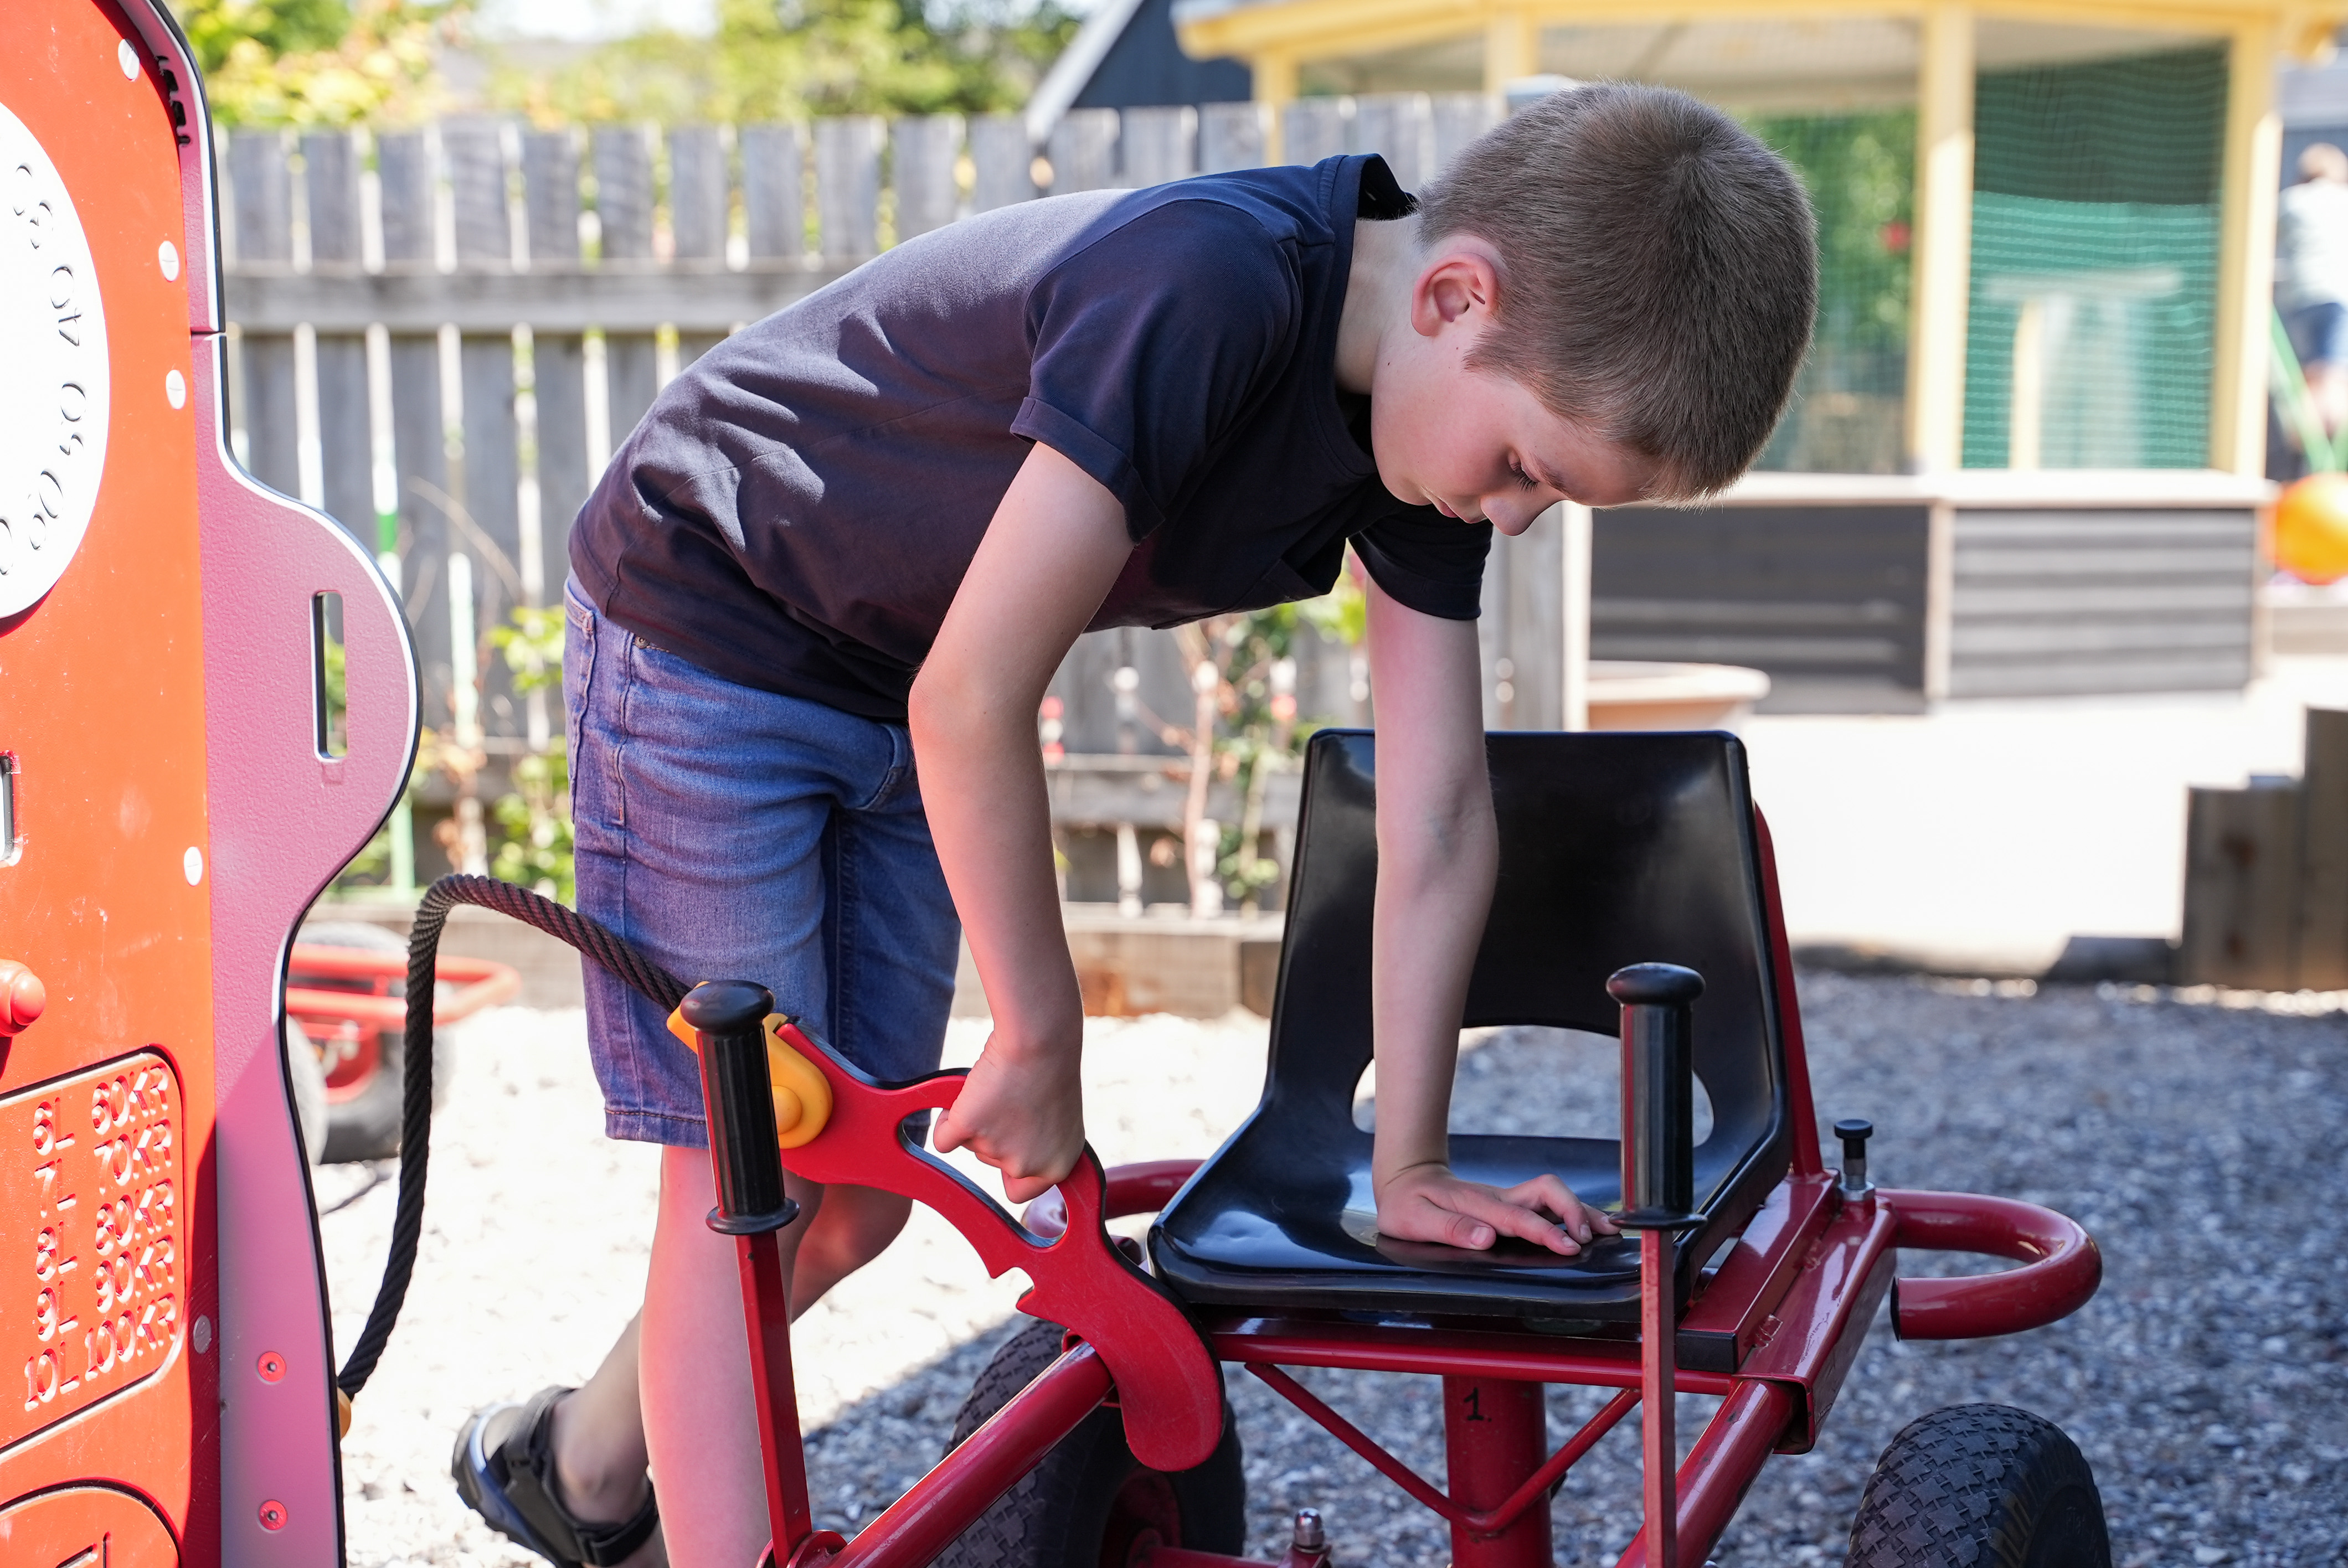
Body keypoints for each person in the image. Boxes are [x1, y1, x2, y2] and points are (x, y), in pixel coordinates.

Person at [452, 82, 1818, 1568]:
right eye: (1524, 470)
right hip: (713, 617)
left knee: (854, 1206)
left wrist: (1409, 1164)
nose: (1509, 517)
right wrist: (1040, 1035)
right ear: (1453, 297)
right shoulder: (1207, 289)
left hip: (889, 672)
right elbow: (977, 695)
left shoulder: (1420, 424)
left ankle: (579, 1470)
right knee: (751, 1179)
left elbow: (1434, 812)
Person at [2280, 142, 2348, 450]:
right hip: (2336, 298)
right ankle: (2329, 453)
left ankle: (2302, 444)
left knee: (2310, 375)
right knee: (2333, 376)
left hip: (2298, 299)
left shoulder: (2290, 201)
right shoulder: (2342, 200)